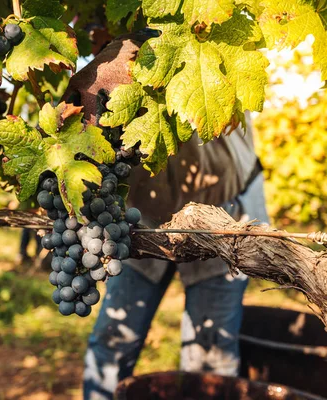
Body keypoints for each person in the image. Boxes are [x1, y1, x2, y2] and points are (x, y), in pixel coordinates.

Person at [62, 33, 270, 399]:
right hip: (141, 221)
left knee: (212, 358)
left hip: (227, 214)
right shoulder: (119, 40)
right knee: (113, 343)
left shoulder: (212, 32)